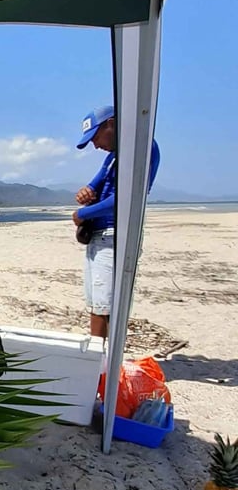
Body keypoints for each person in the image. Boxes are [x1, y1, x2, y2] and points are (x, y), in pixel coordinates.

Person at [72, 105, 160, 339]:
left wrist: (83, 215)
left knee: (106, 308)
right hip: (100, 237)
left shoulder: (142, 148)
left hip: (114, 236)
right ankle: (98, 360)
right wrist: (86, 192)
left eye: (96, 137)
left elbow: (127, 197)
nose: (95, 145)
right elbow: (96, 183)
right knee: (97, 305)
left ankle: (103, 367)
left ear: (111, 123)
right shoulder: (114, 157)